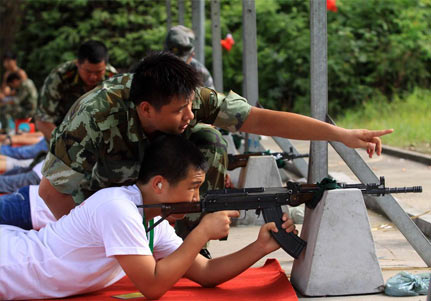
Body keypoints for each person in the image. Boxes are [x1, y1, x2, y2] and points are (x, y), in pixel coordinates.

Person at [39, 51, 392, 228]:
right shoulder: (92, 117)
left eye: (191, 105)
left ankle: (188, 236)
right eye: (180, 111)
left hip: (152, 180)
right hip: (102, 198)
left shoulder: (186, 98)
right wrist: (91, 240)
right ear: (146, 109)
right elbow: (52, 193)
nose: (189, 115)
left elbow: (260, 119)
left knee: (209, 137)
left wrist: (340, 135)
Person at [0, 135, 296, 300]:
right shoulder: (119, 208)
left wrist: (260, 246)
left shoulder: (151, 221)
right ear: (159, 184)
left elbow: (205, 272)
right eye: (192, 188)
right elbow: (153, 287)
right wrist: (200, 233)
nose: (196, 198)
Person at [34, 39, 117, 142]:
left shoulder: (113, 79)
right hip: (61, 134)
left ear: (105, 66)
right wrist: (64, 146)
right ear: (77, 63)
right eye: (88, 71)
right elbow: (43, 120)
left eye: (99, 72)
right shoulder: (60, 77)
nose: (93, 77)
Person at [165, 25, 215, 89]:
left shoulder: (199, 71)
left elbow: (212, 96)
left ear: (192, 55)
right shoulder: (156, 72)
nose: (178, 67)